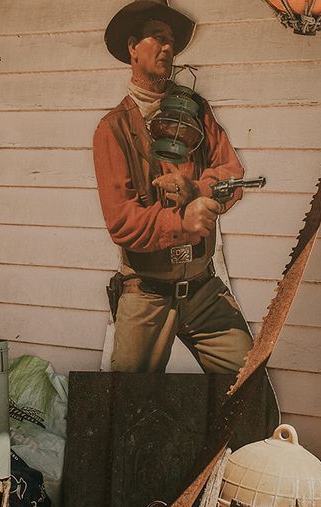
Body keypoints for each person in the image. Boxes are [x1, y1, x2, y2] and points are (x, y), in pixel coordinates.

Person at [93, 0, 253, 374]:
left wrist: (197, 190)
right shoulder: (113, 130)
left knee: (246, 378)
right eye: (157, 37)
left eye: (171, 41)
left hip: (202, 289)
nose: (168, 47)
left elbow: (231, 171)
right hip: (146, 294)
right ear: (133, 47)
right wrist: (180, 223)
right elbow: (122, 222)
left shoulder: (195, 108)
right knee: (128, 403)